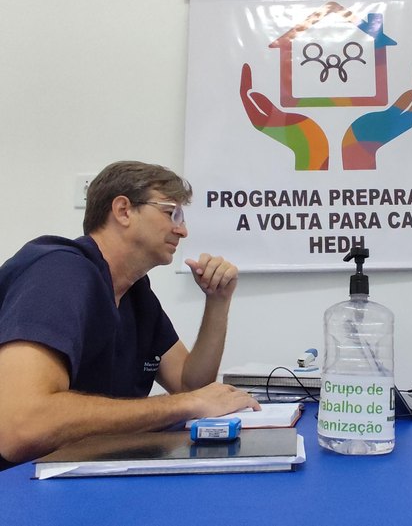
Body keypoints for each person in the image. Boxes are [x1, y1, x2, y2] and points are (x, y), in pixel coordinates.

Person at [0, 161, 259, 469]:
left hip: (80, 471)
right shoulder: (59, 273)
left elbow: (191, 386)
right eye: (170, 212)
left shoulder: (137, 295)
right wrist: (184, 405)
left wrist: (218, 301)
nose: (183, 229)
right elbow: (20, 428)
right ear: (123, 210)